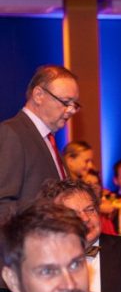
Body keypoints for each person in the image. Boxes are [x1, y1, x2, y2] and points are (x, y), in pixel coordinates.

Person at [0, 65, 79, 218]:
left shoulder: (48, 141)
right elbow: (3, 204)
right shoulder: (12, 133)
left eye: (74, 104)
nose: (71, 110)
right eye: (65, 102)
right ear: (38, 95)